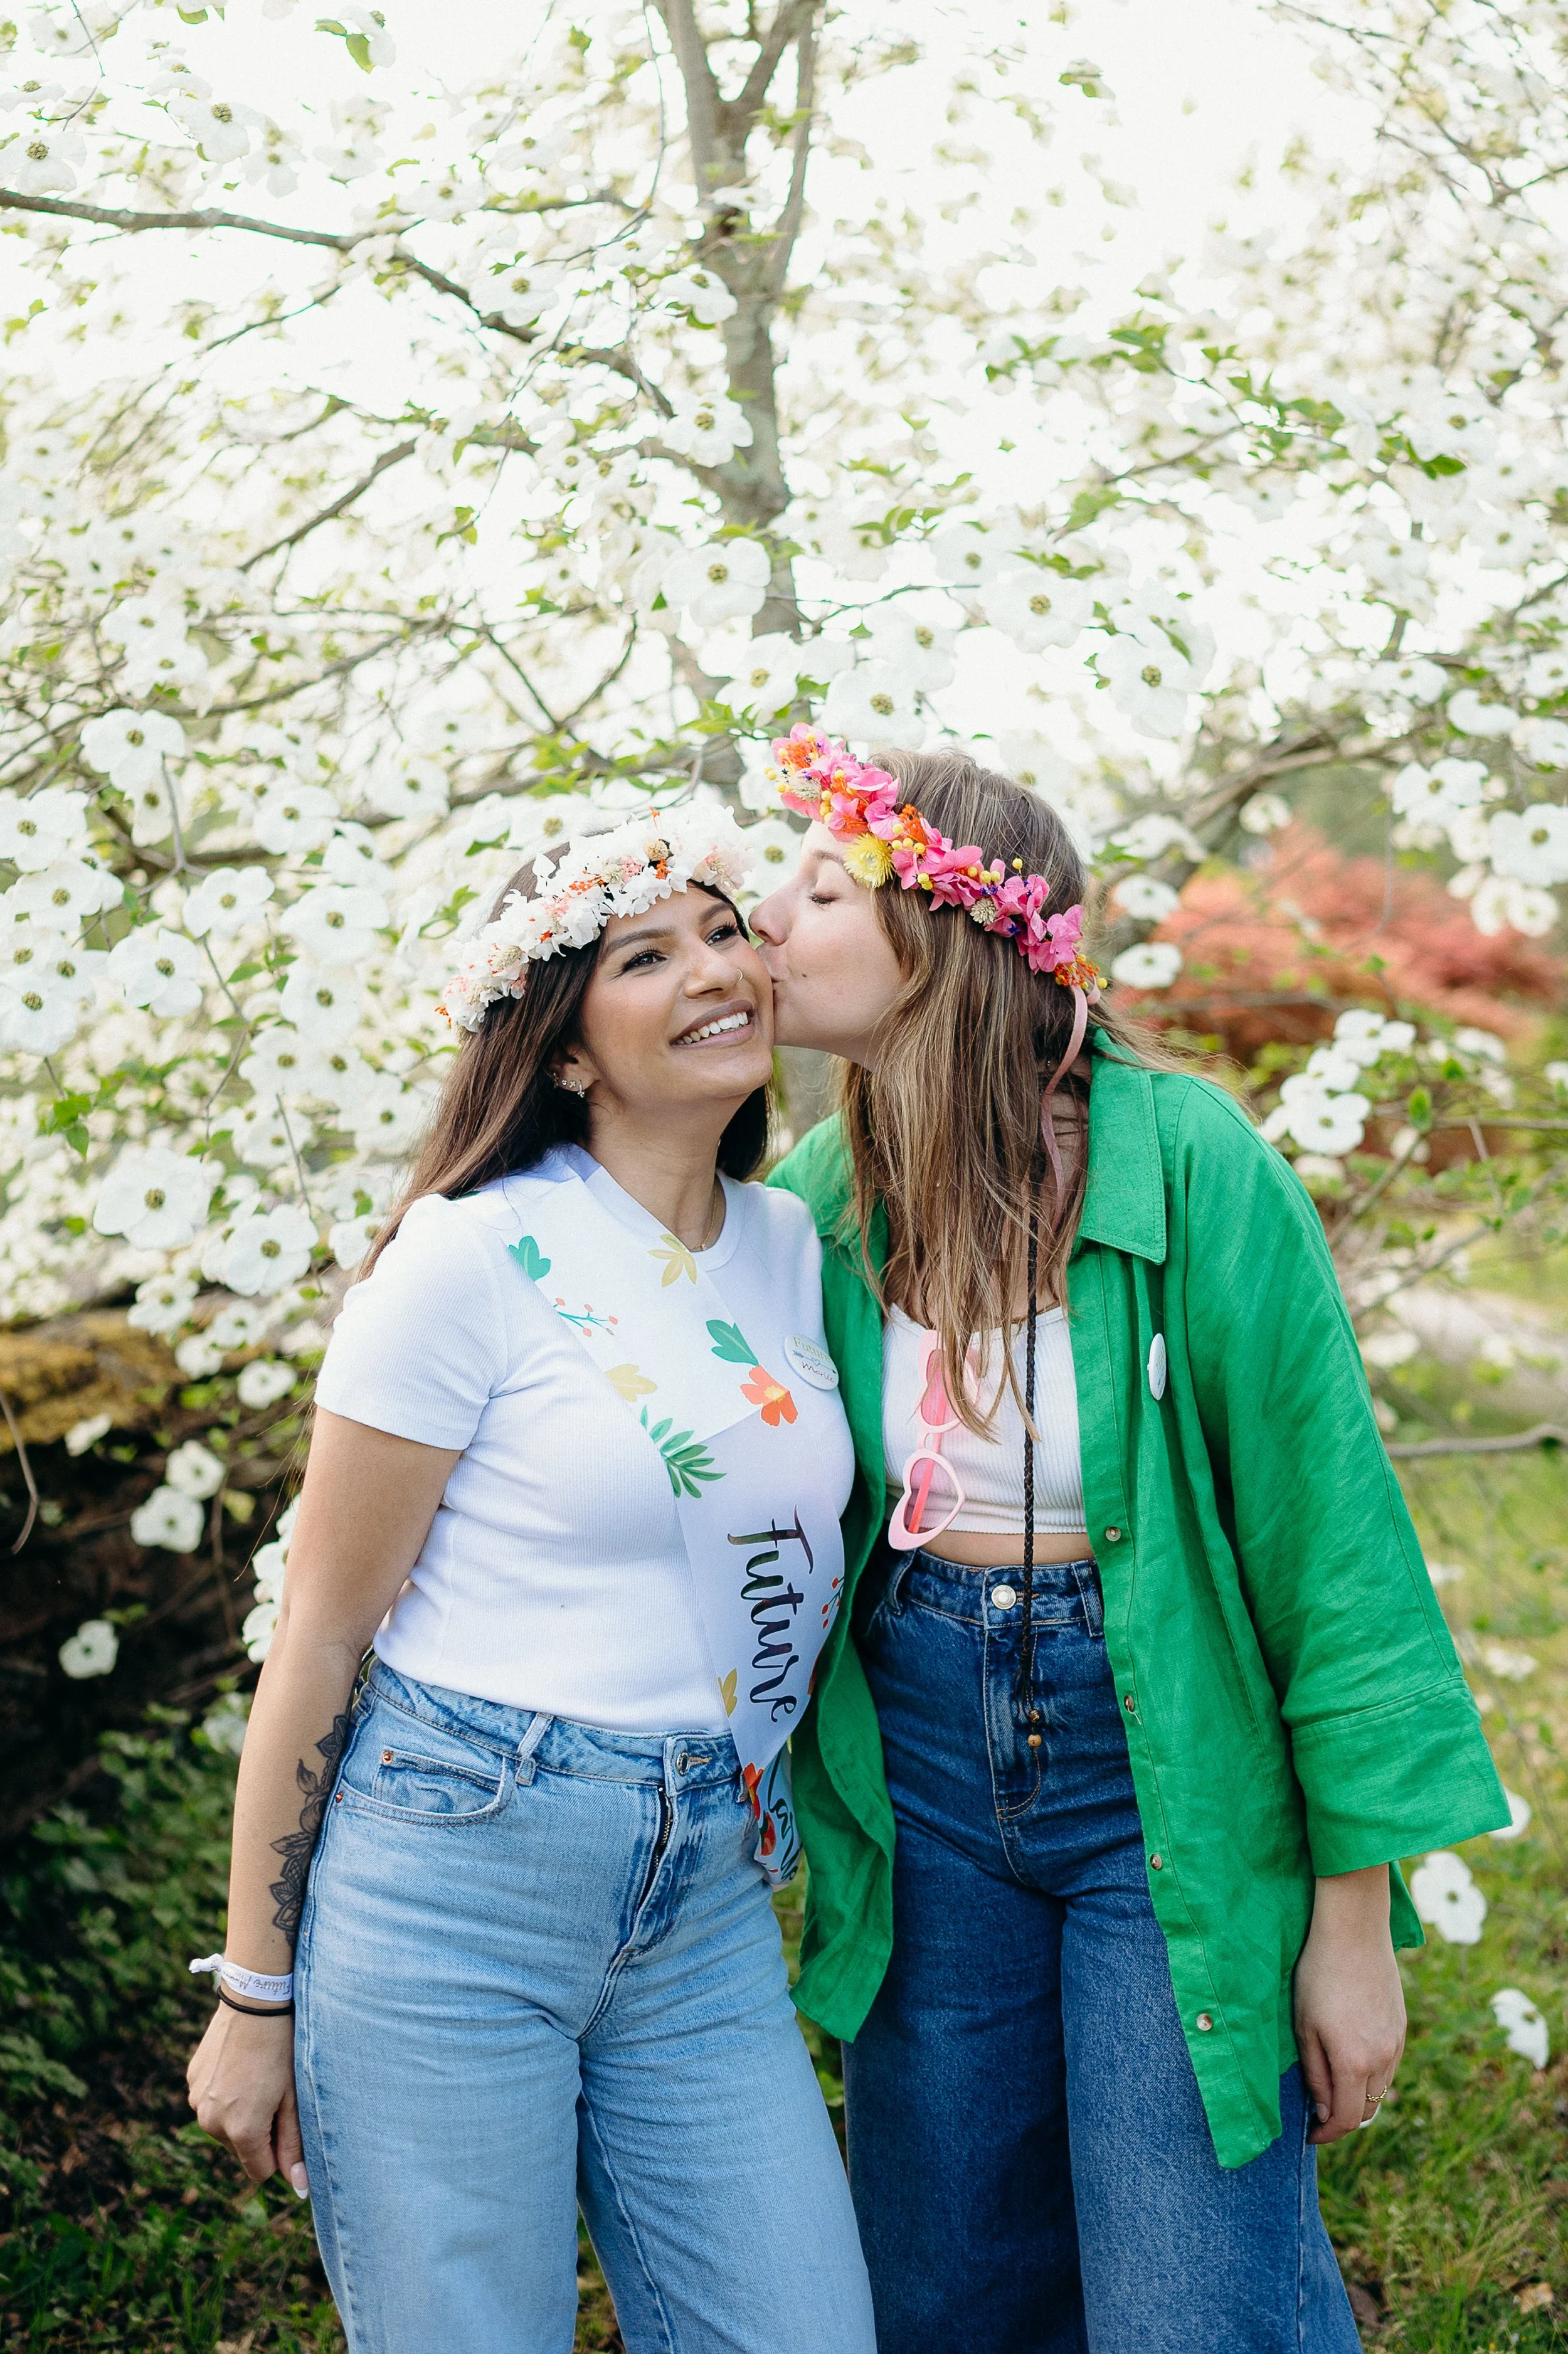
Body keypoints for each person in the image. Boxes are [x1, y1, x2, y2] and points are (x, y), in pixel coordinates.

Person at [750, 731, 1508, 2354]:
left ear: (939, 933)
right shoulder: (817, 1200)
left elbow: (1333, 1564)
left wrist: (1353, 1929)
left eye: (819, 887)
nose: (766, 917)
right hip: (926, 1764)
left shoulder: (1196, 1172)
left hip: (1158, 1744)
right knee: (946, 2271)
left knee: (1189, 2295)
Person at [186, 805, 876, 2354]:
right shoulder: (463, 1257)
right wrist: (255, 1988)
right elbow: (323, 1626)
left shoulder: (793, 1243)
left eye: (721, 932)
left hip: (703, 1891)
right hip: (457, 1874)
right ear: (564, 1047)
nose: (717, 969)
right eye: (647, 953)